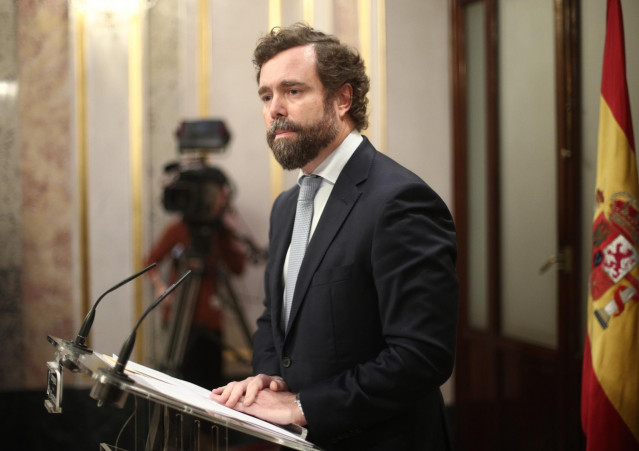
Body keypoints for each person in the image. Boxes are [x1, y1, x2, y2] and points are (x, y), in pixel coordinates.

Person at [210, 23, 458, 450]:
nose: (275, 109)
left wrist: (301, 405)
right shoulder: (286, 207)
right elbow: (276, 318)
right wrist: (269, 378)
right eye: (266, 96)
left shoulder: (399, 200)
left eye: (293, 91)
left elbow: (421, 356)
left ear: (342, 99)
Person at [146, 166, 246, 388]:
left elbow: (238, 268)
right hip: (181, 320)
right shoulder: (177, 230)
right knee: (179, 381)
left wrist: (230, 231)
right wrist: (160, 286)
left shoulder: (221, 233)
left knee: (212, 382)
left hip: (211, 320)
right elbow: (151, 261)